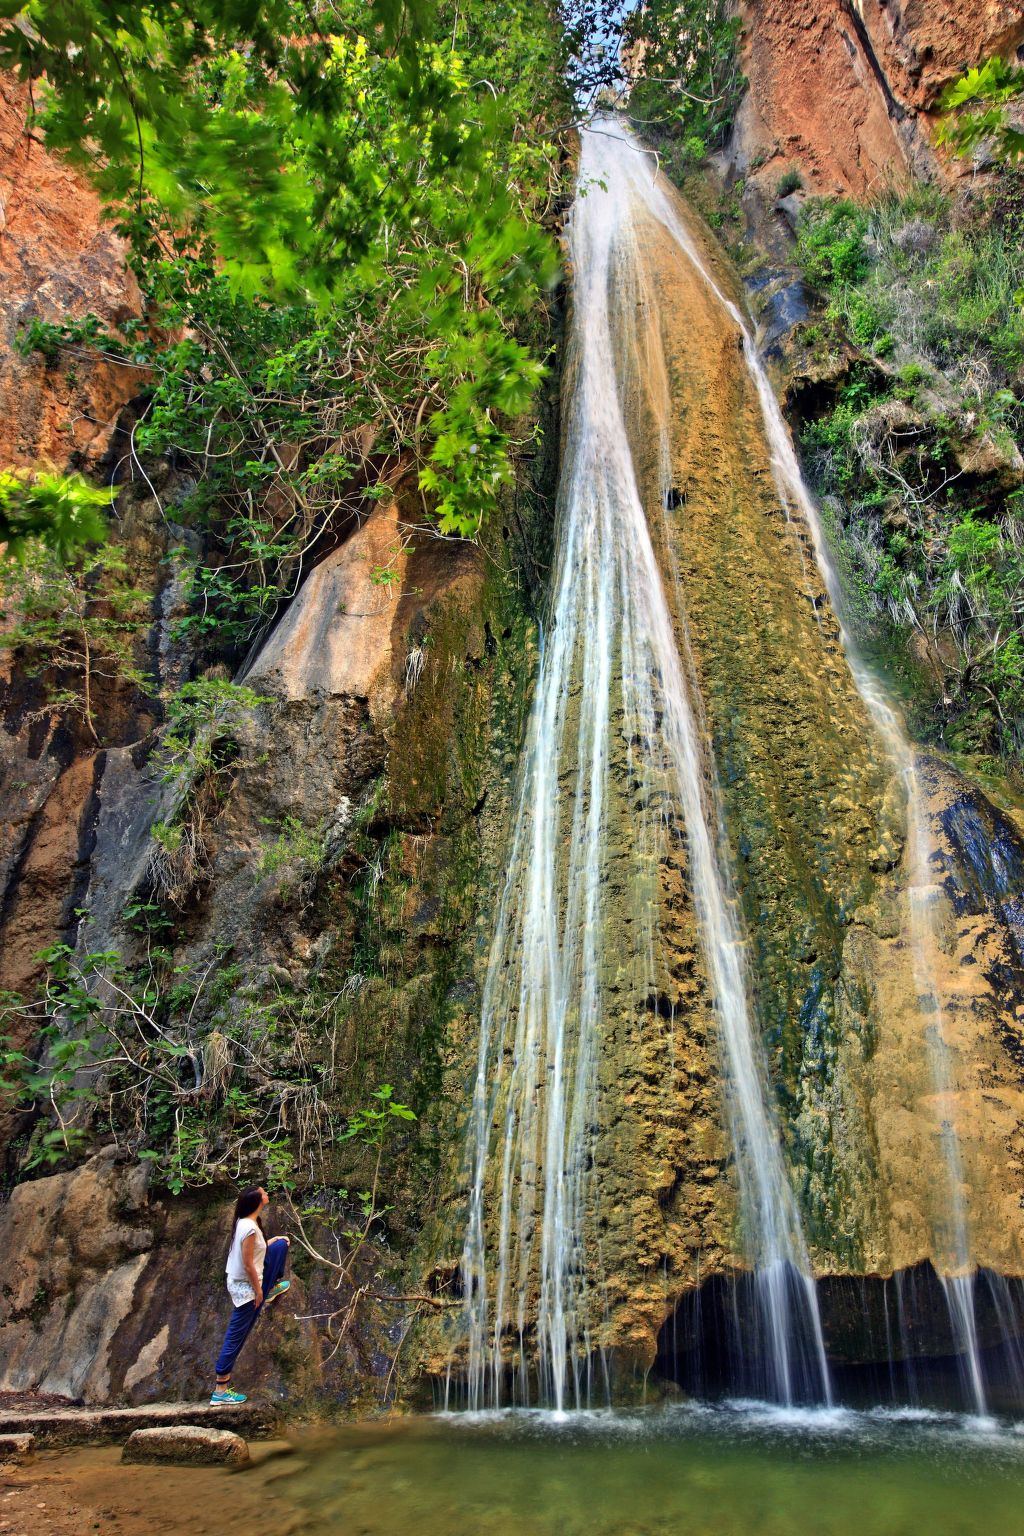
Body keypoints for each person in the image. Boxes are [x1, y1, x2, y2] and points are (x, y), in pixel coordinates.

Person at [210, 1185, 291, 1405]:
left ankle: (271, 1287)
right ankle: (221, 1388)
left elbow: (254, 1252)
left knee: (281, 1244)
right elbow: (247, 1264)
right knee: (237, 1335)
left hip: (249, 1280)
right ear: (257, 1200)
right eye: (264, 1193)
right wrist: (258, 1292)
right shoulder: (249, 1228)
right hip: (246, 1288)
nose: (267, 1195)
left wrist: (271, 1242)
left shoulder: (246, 1223)